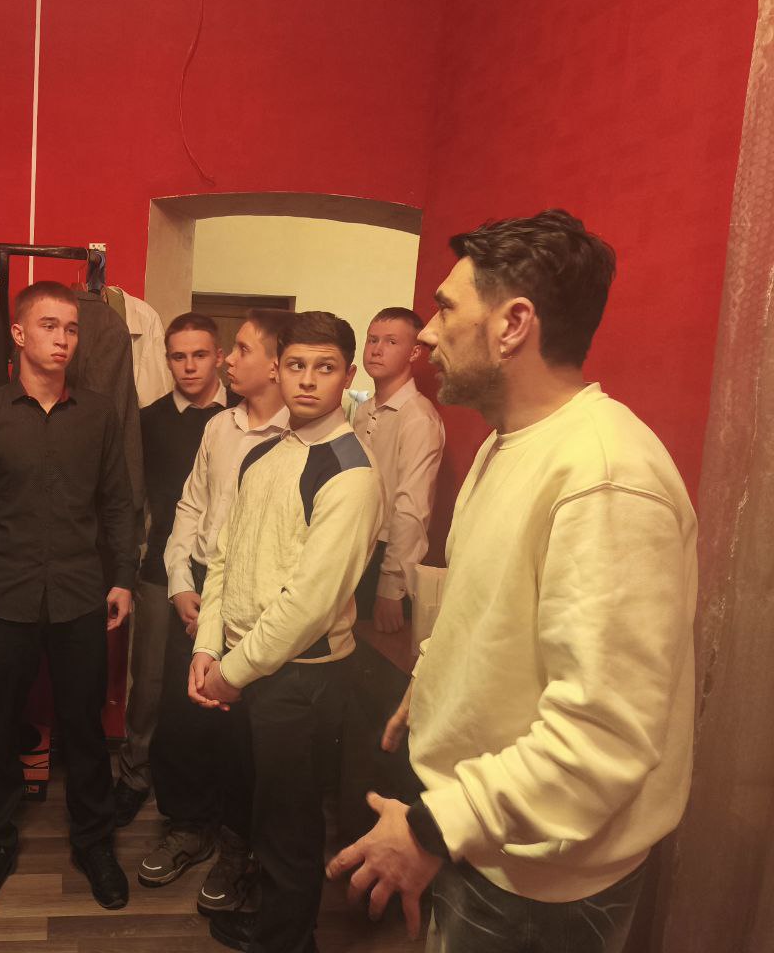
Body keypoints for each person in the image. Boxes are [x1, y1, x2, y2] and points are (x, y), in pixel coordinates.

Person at [328, 210, 697, 953]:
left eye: (445, 308)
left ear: (513, 324)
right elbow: (489, 610)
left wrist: (431, 829)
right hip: (488, 838)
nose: (428, 334)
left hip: (541, 883)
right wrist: (430, 684)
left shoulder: (605, 476)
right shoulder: (508, 443)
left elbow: (602, 739)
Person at [0, 281, 138, 918]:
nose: (63, 339)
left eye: (72, 328)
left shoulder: (98, 414)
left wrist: (123, 577)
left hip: (80, 595)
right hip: (3, 595)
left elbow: (118, 504)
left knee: (85, 729)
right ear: (19, 334)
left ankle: (94, 842)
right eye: (49, 326)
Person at [192, 311, 383, 953]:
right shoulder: (265, 452)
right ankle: (279, 925)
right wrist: (207, 646)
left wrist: (230, 672)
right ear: (278, 370)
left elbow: (309, 604)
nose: (307, 380)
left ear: (347, 376)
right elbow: (224, 556)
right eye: (296, 365)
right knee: (264, 812)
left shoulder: (351, 472)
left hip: (303, 677)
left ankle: (288, 942)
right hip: (249, 663)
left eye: (324, 368)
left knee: (290, 827)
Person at [140, 309, 291, 912]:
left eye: (242, 349)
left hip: (260, 599)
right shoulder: (219, 428)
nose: (228, 359)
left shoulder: (298, 437)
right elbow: (189, 508)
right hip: (201, 584)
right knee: (183, 718)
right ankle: (187, 826)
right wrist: (180, 582)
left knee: (243, 732)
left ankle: (238, 845)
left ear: (275, 365)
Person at [114, 312, 237, 826]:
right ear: (166, 360)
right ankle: (135, 773)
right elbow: (131, 500)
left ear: (219, 357)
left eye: (200, 355)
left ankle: (210, 784)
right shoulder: (149, 421)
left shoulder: (244, 417)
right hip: (159, 568)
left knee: (219, 681)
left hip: (228, 573)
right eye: (178, 356)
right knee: (149, 682)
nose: (189, 366)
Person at [352, 307, 444, 633]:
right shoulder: (362, 411)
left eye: (391, 342)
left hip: (384, 557)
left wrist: (391, 586)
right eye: (372, 340)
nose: (377, 350)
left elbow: (412, 508)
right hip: (353, 546)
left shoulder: (418, 417)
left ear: (414, 352)